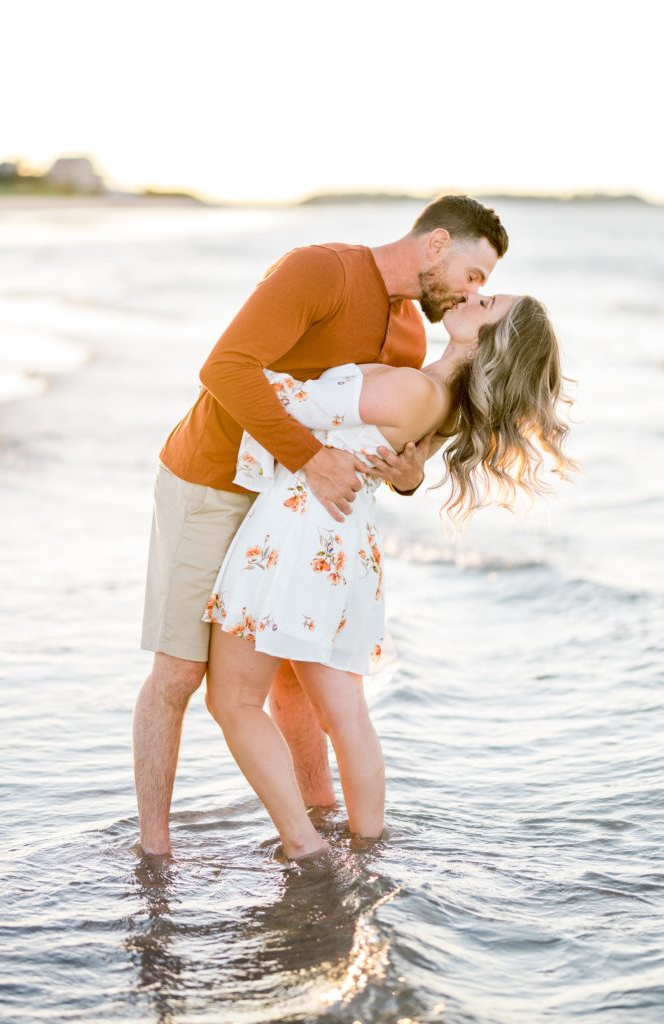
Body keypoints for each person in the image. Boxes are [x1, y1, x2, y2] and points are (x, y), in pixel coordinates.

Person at [134, 195, 510, 856]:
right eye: (472, 275)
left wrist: (407, 475)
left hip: (289, 510)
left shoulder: (409, 334)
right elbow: (224, 370)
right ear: (435, 245)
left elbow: (386, 441)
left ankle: (317, 818)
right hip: (214, 480)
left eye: (480, 288)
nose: (470, 292)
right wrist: (310, 458)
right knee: (179, 672)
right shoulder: (320, 271)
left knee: (289, 674)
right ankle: (155, 851)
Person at [202, 291, 576, 861]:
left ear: (488, 340)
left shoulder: (414, 389)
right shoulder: (443, 401)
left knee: (233, 700)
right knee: (345, 711)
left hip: (300, 536)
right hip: (344, 545)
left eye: (488, 301)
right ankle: (368, 845)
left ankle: (304, 847)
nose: (473, 294)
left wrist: (256, 352)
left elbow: (282, 398)